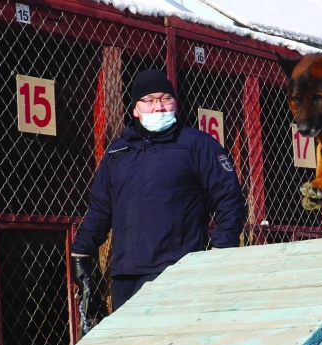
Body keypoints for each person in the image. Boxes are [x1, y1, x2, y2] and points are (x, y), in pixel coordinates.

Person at [70, 69, 247, 312]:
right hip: (125, 273)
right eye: (149, 100)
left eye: (166, 99)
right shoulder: (117, 153)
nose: (159, 107)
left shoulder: (197, 145)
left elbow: (230, 199)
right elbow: (100, 209)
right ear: (135, 109)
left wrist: (221, 249)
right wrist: (81, 251)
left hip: (176, 270)